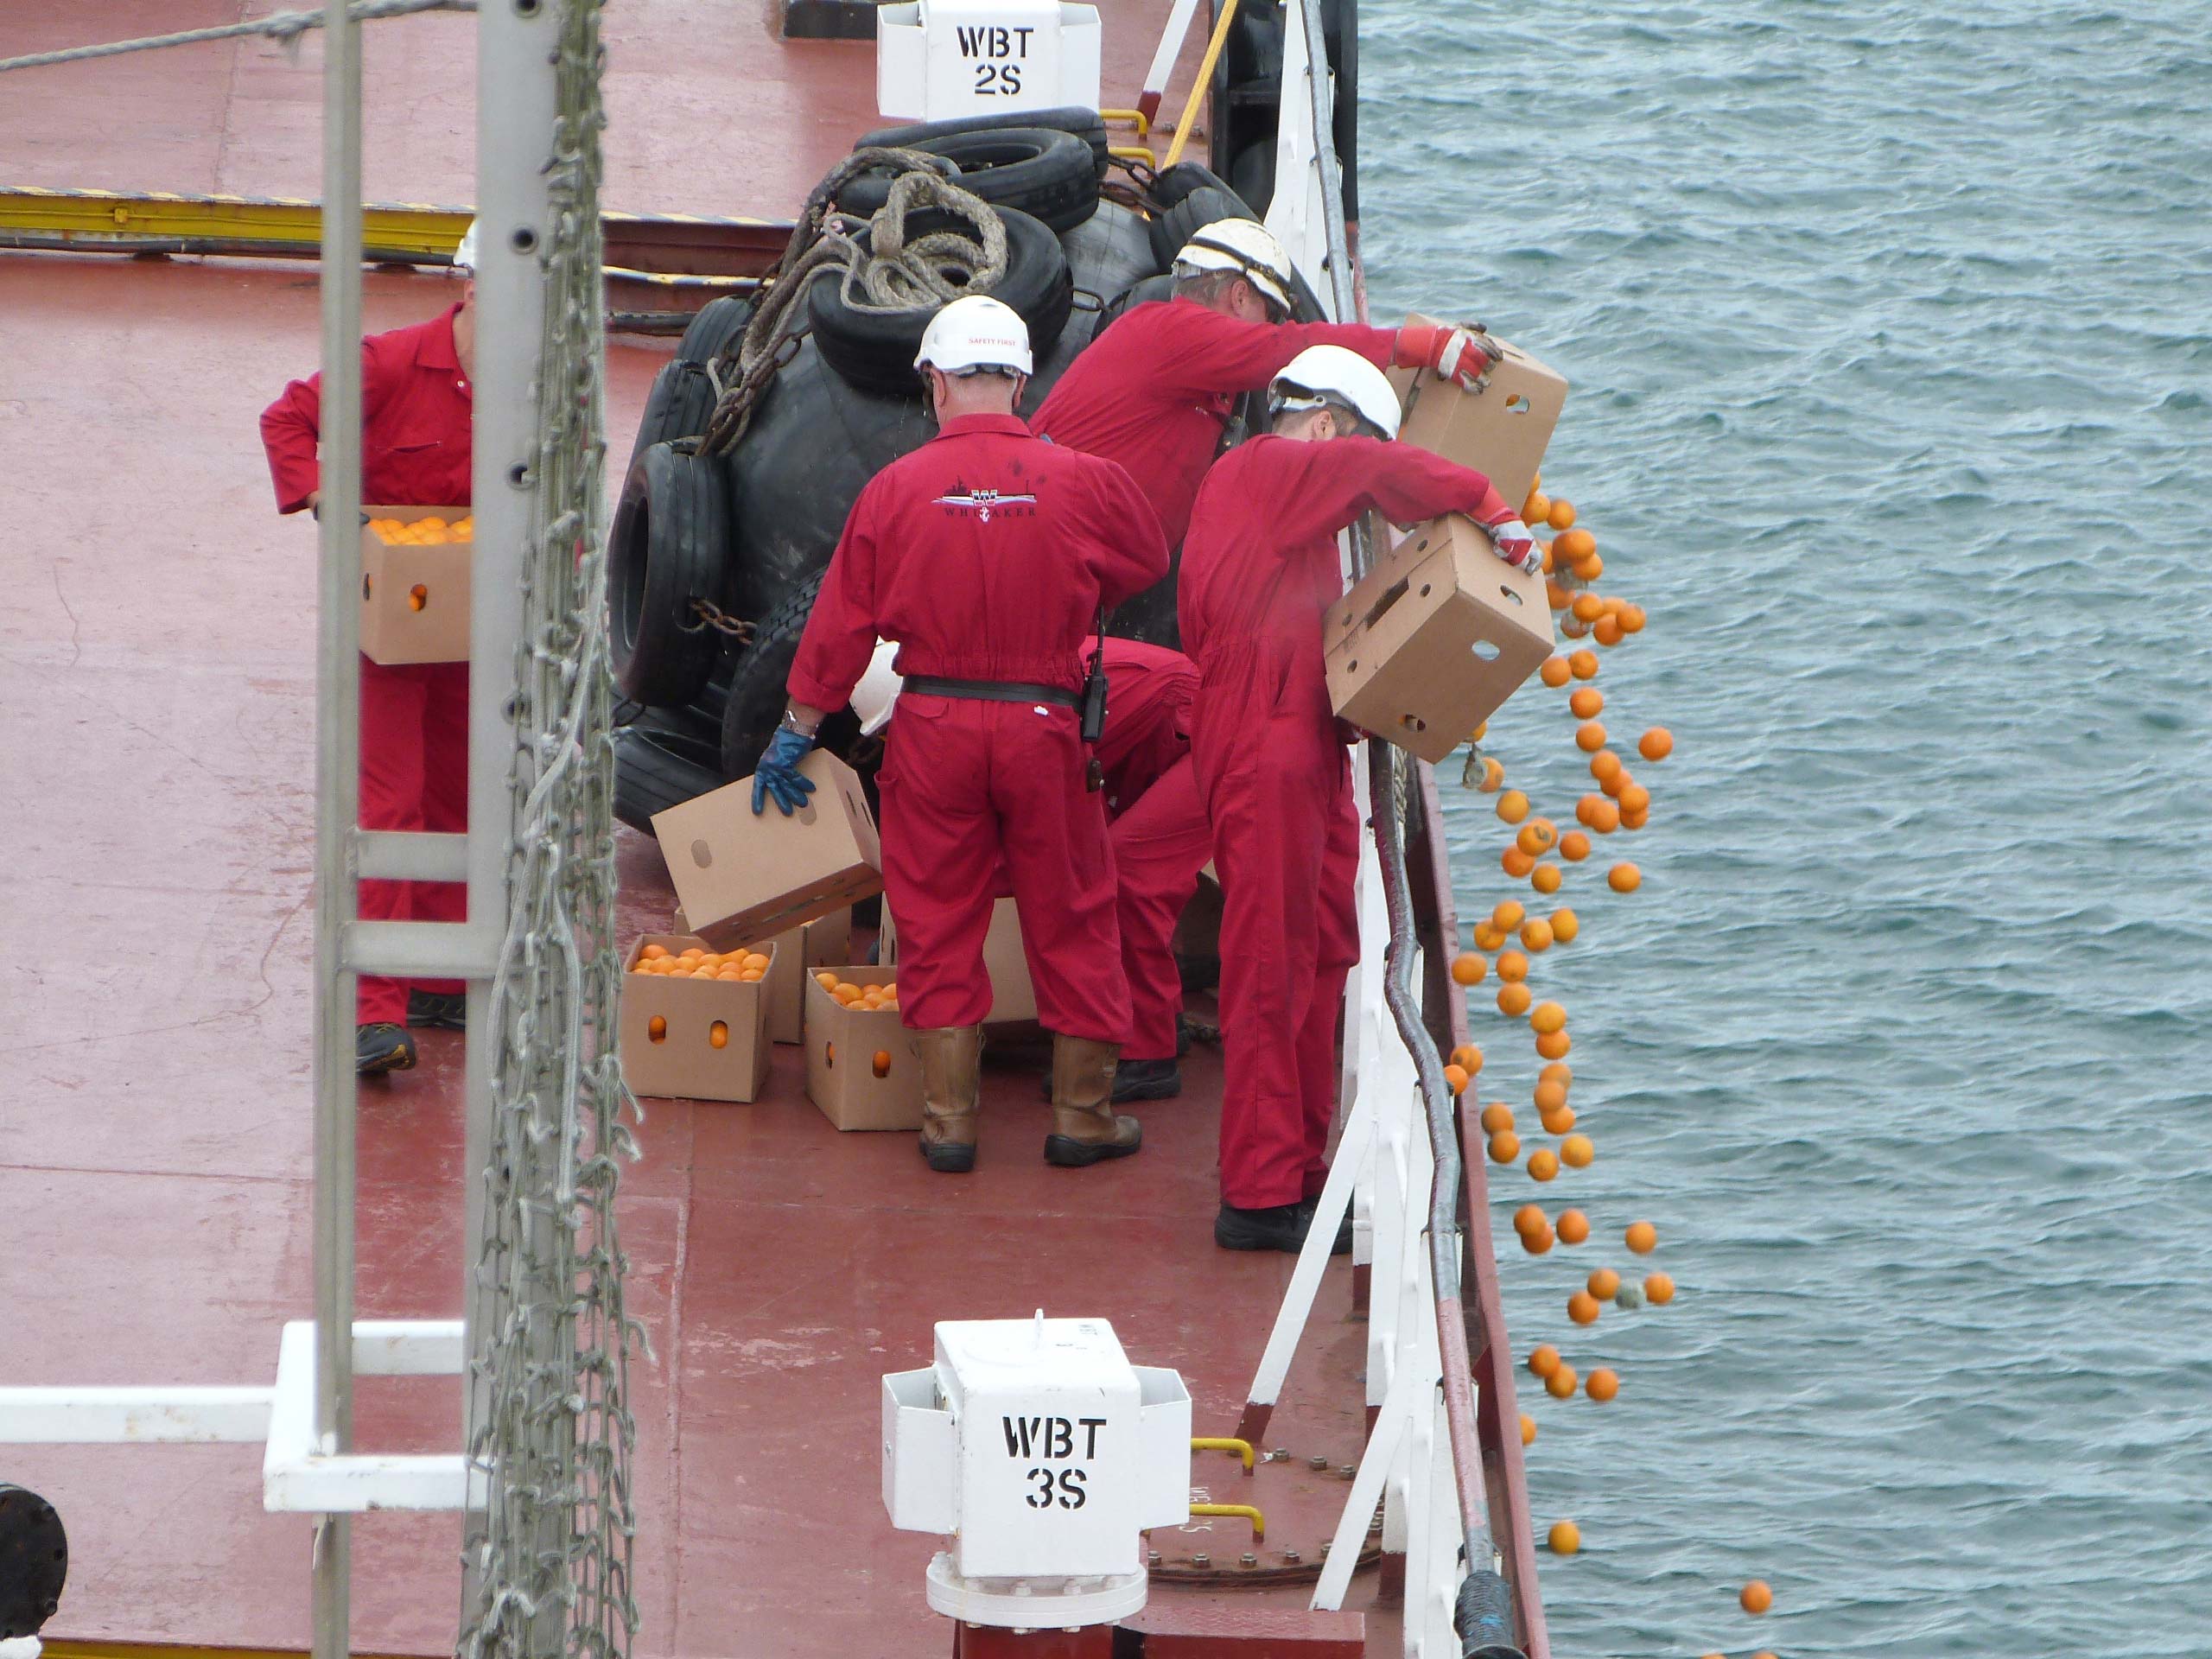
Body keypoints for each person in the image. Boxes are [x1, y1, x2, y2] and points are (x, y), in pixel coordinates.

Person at [753, 296, 1170, 1174]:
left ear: (936, 384)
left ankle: (949, 1123)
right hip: (1044, 723)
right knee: (1073, 911)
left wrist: (795, 728)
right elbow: (1145, 560)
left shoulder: (893, 489)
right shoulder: (1085, 479)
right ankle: (1083, 1117)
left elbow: (839, 625)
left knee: (937, 916)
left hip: (934, 724)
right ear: (1020, 383)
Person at [1179, 345, 1537, 1253]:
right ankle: (1259, 1196)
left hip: (1294, 742)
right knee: (1270, 964)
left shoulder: (1276, 513)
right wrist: (1486, 502)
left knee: (1322, 954)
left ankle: (1301, 1173)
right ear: (1325, 423)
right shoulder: (1266, 468)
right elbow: (1369, 472)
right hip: (1264, 746)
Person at [260, 220, 480, 1077]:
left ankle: (435, 977)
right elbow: (288, 417)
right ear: (473, 291)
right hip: (386, 634)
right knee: (392, 805)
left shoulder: (533, 395)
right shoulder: (389, 365)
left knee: (461, 798)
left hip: (467, 628)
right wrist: (322, 497)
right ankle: (372, 1012)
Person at [1033, 218, 1497, 558]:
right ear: (1239, 296)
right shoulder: (1170, 329)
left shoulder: (1185, 363)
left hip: (1075, 546)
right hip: (1056, 539)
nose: (1273, 327)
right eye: (1271, 314)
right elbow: (1285, 348)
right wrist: (1419, 345)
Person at [1093, 639, 1208, 1102]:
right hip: (1168, 730)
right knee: (1117, 863)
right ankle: (1165, 1019)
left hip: (1208, 729)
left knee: (1128, 873)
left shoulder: (1011, 693)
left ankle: (1148, 1056)